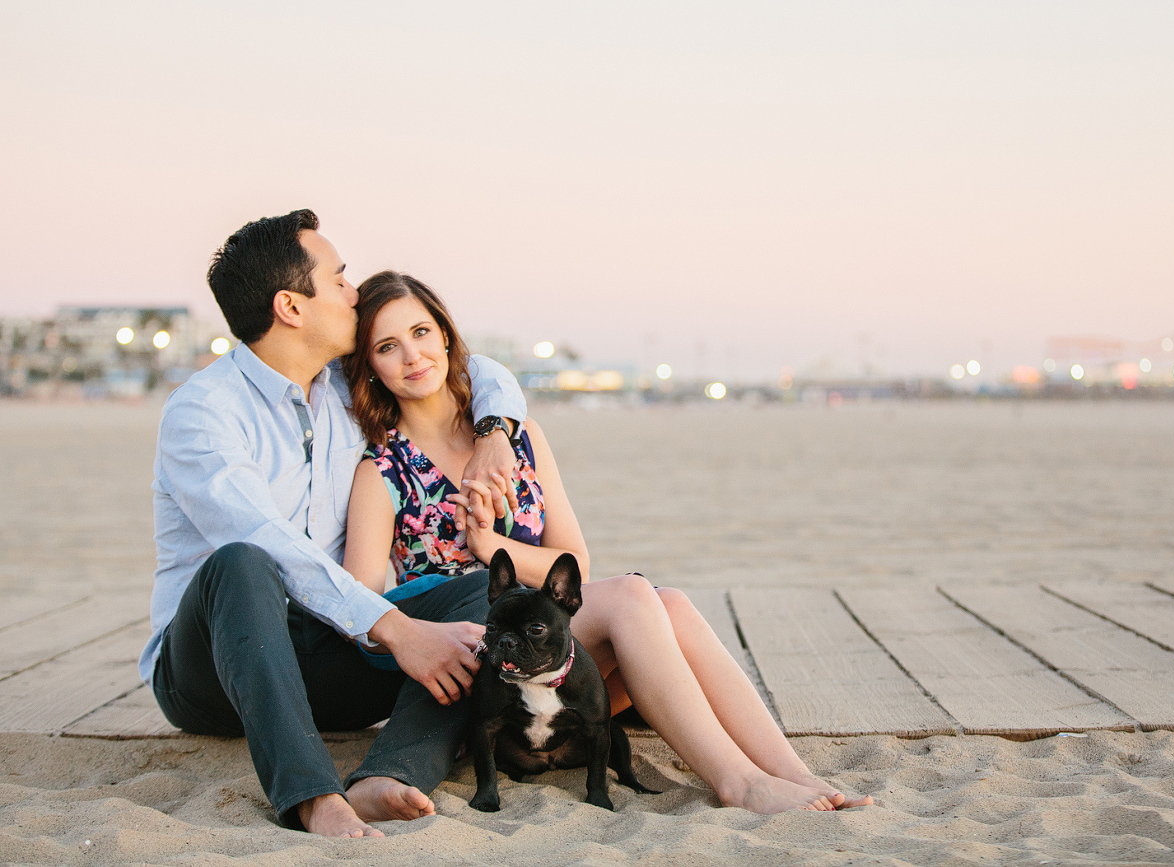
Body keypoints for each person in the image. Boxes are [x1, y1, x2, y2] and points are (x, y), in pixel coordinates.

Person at [341, 271, 872, 814]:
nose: (413, 355)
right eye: (388, 346)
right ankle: (737, 781)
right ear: (371, 366)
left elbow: (576, 563)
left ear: (447, 338)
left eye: (422, 332)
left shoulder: (518, 438)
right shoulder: (380, 470)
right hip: (478, 659)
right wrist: (432, 632)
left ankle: (795, 774)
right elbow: (360, 607)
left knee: (673, 605)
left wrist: (488, 545)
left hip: (550, 650)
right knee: (634, 597)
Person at [141, 209, 531, 838]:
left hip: (324, 650)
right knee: (244, 561)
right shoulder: (204, 414)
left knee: (480, 593)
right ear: (292, 307)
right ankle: (312, 796)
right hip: (213, 667)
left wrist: (494, 433)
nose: (354, 292)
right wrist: (397, 629)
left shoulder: (345, 393)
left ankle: (393, 773)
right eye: (340, 278)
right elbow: (265, 541)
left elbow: (478, 370)